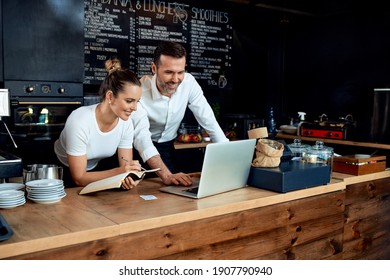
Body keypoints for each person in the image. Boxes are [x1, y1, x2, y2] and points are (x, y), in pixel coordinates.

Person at [132, 41, 228, 175]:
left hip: (168, 148)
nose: (175, 79)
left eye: (180, 72)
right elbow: (142, 139)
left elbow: (208, 119)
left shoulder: (189, 83)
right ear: (154, 68)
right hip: (136, 151)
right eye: (169, 72)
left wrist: (228, 154)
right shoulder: (138, 92)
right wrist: (166, 176)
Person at [54, 58, 143, 189]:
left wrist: (129, 178)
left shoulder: (126, 123)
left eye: (137, 101)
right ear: (110, 97)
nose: (134, 108)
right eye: (129, 101)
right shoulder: (79, 121)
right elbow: (79, 178)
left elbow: (126, 166)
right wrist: (120, 173)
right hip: (63, 170)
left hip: (98, 167)